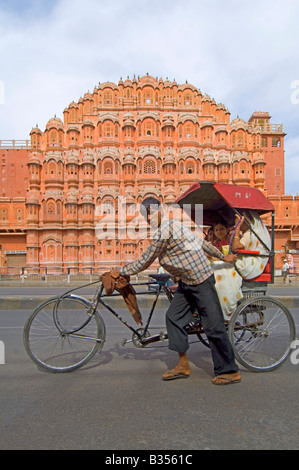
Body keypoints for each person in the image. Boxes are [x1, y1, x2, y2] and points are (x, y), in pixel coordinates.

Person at [111, 197, 241, 385]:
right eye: (146, 216)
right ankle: (182, 364)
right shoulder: (175, 225)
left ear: (159, 211)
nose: (149, 219)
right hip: (187, 282)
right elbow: (201, 243)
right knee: (174, 318)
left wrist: (121, 271)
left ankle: (229, 370)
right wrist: (222, 256)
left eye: (150, 214)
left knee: (213, 325)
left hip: (201, 279)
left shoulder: (166, 230)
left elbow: (146, 260)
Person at [213, 210, 271, 320]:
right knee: (217, 266)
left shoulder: (251, 233)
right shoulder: (249, 233)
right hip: (245, 260)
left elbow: (236, 247)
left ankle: (225, 306)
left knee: (218, 267)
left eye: (242, 221)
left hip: (248, 264)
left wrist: (237, 226)